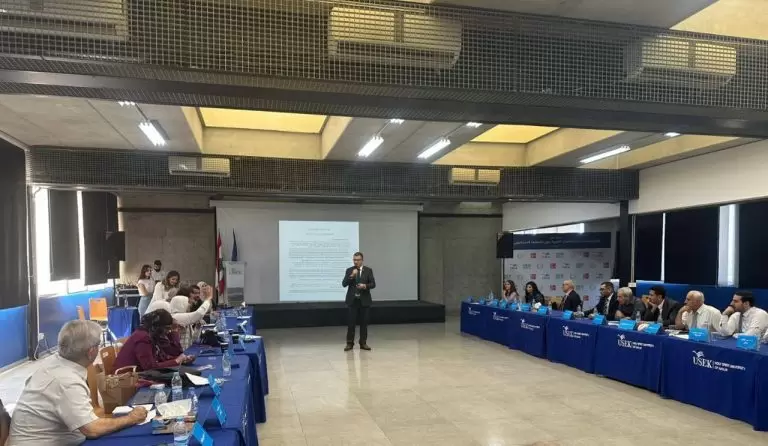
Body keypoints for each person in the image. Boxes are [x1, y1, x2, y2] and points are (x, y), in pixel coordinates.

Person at [7, 320, 147, 445]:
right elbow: (92, 429)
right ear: (91, 352)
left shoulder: (55, 363)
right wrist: (131, 418)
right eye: (98, 345)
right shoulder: (66, 381)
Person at [113, 309, 191, 371]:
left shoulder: (151, 334)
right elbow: (149, 367)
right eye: (167, 329)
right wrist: (176, 361)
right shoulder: (142, 337)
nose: (168, 332)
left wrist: (180, 359)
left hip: (137, 374)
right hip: (125, 378)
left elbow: (162, 357)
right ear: (158, 327)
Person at [342, 252, 376, 352]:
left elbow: (373, 284)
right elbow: (344, 284)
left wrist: (365, 286)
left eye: (358, 260)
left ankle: (363, 343)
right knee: (351, 323)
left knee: (364, 323)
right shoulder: (349, 270)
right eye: (354, 260)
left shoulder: (368, 270)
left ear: (362, 260)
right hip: (352, 301)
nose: (356, 262)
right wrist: (352, 275)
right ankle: (349, 343)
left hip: (364, 301)